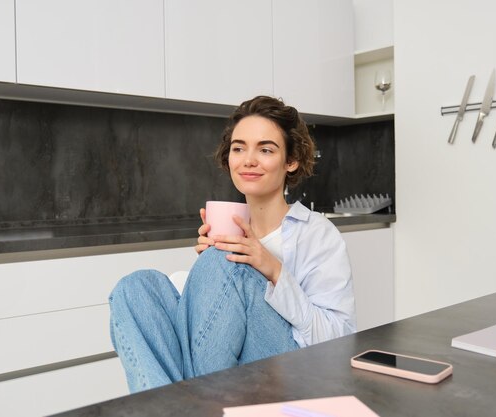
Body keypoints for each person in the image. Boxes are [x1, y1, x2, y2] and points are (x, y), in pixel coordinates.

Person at [109, 96, 356, 393]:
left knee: (224, 261)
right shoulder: (228, 231)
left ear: (291, 161)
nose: (248, 160)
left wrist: (274, 272)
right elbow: (212, 334)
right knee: (135, 288)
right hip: (229, 369)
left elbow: (338, 342)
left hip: (292, 371)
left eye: (265, 149)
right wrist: (208, 276)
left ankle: (183, 406)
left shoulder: (316, 233)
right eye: (239, 148)